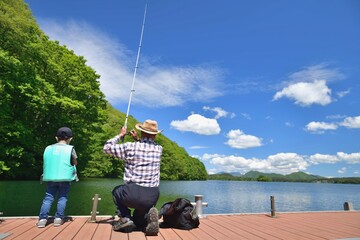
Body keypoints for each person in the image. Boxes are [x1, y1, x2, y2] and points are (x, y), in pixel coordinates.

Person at [103, 119, 163, 235]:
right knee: (139, 219)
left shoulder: (130, 147)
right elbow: (146, 148)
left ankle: (125, 217)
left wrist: (120, 135)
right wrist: (138, 140)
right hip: (152, 196)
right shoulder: (159, 149)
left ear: (141, 132)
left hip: (132, 194)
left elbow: (107, 148)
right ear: (155, 135)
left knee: (116, 191)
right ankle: (144, 220)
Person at [37, 127, 78, 228]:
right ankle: (58, 219)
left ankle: (42, 219)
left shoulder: (48, 148)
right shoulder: (70, 149)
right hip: (65, 178)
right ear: (70, 139)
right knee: (62, 198)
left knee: (48, 198)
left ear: (56, 138)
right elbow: (75, 162)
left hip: (50, 178)